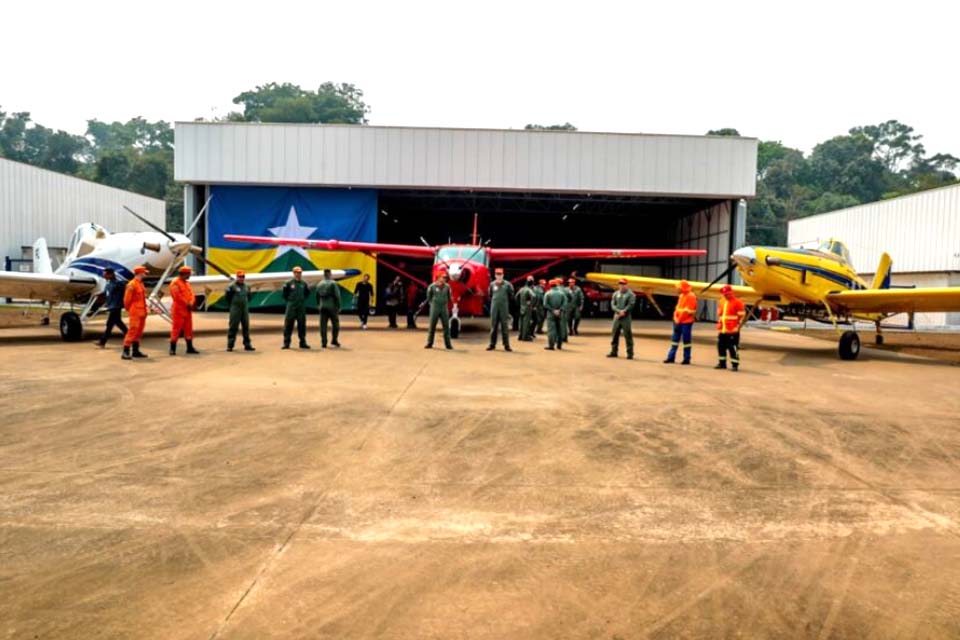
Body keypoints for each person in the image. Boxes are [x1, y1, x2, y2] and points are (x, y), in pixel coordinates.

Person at [664, 280, 697, 365]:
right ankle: (671, 357)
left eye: (678, 287)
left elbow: (688, 311)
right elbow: (677, 308)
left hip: (686, 322)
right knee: (674, 340)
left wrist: (678, 319)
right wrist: (675, 317)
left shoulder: (691, 296)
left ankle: (686, 359)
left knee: (686, 340)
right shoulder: (682, 295)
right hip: (678, 321)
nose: (677, 289)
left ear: (683, 288)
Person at [169, 265, 199, 356]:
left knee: (188, 329)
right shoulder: (175, 283)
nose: (190, 275)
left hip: (187, 310)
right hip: (178, 310)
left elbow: (192, 294)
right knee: (176, 329)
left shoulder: (187, 283)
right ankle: (172, 348)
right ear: (184, 274)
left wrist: (192, 302)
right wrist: (187, 303)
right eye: (188, 274)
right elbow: (177, 296)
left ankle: (189, 347)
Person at [716, 285, 746, 371]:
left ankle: (735, 365)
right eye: (724, 294)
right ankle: (722, 363)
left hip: (733, 330)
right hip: (723, 329)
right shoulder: (722, 301)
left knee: (733, 348)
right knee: (720, 347)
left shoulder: (738, 302)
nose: (725, 295)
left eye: (727, 294)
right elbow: (721, 314)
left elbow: (742, 316)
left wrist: (737, 327)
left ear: (731, 293)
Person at [122, 265, 149, 360]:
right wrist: (130, 309)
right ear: (140, 273)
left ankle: (135, 351)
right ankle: (125, 351)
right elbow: (126, 300)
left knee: (139, 332)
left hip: (142, 311)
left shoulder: (140, 284)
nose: (146, 274)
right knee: (132, 330)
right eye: (144, 272)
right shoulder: (131, 284)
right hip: (135, 311)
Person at [97, 267, 127, 348]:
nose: (104, 275)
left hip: (116, 306)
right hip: (111, 305)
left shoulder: (119, 283)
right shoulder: (108, 283)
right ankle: (130, 337)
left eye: (105, 274)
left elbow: (125, 292)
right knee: (118, 323)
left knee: (110, 324)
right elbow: (107, 293)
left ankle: (102, 342)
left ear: (110, 274)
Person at [225, 270, 255, 352]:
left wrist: (244, 303)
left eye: (243, 277)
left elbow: (249, 297)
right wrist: (234, 304)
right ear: (236, 277)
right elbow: (227, 297)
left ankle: (247, 345)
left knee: (246, 327)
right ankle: (230, 345)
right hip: (235, 308)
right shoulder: (231, 286)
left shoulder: (247, 286)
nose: (241, 278)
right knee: (233, 327)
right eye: (240, 277)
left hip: (244, 308)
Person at [282, 266, 311, 349]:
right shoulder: (288, 283)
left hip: (301, 307)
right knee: (288, 325)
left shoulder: (304, 283)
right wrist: (291, 300)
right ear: (293, 273)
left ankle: (303, 342)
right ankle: (286, 343)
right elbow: (285, 294)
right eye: (297, 272)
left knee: (302, 325)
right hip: (291, 307)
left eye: (300, 273)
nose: (298, 274)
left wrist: (301, 300)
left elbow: (307, 293)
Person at [487, 267, 515, 351]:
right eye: (497, 274)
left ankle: (506, 345)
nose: (499, 276)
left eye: (500, 274)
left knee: (504, 327)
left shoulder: (508, 285)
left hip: (504, 308)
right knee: (493, 326)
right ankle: (492, 344)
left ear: (503, 275)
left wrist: (504, 302)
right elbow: (490, 295)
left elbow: (511, 295)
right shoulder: (492, 284)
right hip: (494, 308)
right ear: (495, 275)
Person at [424, 271, 453, 349]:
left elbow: (449, 297)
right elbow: (428, 296)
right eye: (443, 277)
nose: (445, 279)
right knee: (432, 326)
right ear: (438, 277)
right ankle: (429, 343)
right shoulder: (432, 286)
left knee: (446, 326)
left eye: (445, 277)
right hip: (435, 308)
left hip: (444, 308)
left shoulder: (447, 287)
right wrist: (432, 304)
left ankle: (448, 344)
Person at [608, 278, 636, 359]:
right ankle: (613, 351)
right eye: (620, 284)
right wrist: (618, 311)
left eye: (623, 284)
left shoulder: (631, 295)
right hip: (617, 317)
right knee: (614, 334)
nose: (621, 286)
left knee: (628, 335)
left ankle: (630, 353)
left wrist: (624, 311)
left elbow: (631, 305)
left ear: (627, 285)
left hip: (626, 317)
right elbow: (613, 304)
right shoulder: (615, 294)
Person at [315, 268, 342, 348]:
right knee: (335, 324)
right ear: (330, 274)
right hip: (332, 306)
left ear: (324, 275)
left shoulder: (319, 284)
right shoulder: (333, 283)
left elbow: (316, 296)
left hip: (322, 306)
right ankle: (334, 340)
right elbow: (337, 296)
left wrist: (318, 305)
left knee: (323, 325)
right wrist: (339, 306)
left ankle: (324, 342)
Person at [543, 279, 567, 350]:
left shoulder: (548, 293)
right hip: (560, 313)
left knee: (551, 330)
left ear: (550, 285)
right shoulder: (562, 293)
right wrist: (559, 310)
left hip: (551, 314)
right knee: (560, 329)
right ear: (556, 285)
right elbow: (565, 303)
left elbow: (545, 304)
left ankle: (551, 345)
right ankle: (559, 345)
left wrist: (553, 310)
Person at [517, 276, 536, 341]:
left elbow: (516, 296)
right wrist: (531, 303)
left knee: (521, 322)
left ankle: (520, 336)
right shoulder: (529, 289)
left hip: (521, 307)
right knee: (526, 323)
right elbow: (534, 296)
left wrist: (519, 304)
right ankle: (525, 337)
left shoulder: (521, 289)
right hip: (527, 308)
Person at [559, 277, 573, 343]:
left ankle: (559, 338)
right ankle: (564, 337)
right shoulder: (567, 290)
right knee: (564, 323)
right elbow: (571, 297)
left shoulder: (554, 290)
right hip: (565, 308)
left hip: (556, 309)